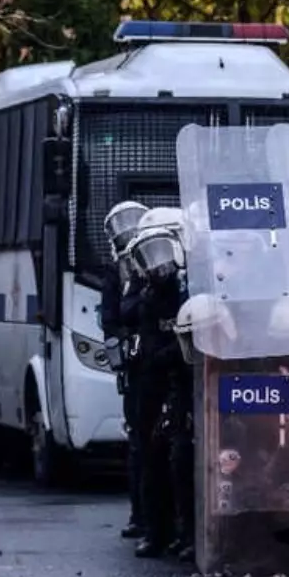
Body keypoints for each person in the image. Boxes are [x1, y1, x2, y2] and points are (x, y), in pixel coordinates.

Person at [125, 224, 189, 558]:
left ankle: (186, 533)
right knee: (152, 458)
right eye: (150, 258)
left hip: (183, 384)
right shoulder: (147, 297)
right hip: (153, 386)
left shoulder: (186, 291)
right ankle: (156, 531)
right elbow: (150, 346)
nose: (158, 265)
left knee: (182, 460)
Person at [99, 200, 149, 540]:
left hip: (159, 365)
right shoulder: (115, 274)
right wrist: (126, 342)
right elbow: (110, 319)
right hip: (137, 370)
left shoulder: (157, 267)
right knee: (139, 444)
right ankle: (140, 515)